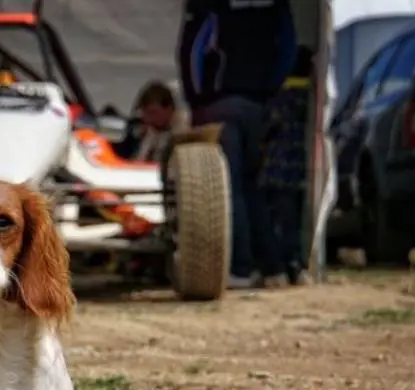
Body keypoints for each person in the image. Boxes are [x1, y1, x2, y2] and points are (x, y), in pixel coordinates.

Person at [177, 0, 297, 289]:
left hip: (220, 104)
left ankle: (239, 268)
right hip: (257, 104)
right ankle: (273, 266)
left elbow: (192, 52)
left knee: (227, 189)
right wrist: (270, 89)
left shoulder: (210, 8)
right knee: (251, 186)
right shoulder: (276, 9)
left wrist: (196, 100)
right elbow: (287, 51)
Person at [261, 46, 315, 286]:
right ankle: (296, 264)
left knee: (275, 222)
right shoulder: (312, 100)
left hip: (275, 170)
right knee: (293, 222)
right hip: (299, 171)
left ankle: (278, 267)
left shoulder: (280, 98)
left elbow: (267, 128)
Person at [113, 81, 184, 163]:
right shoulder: (145, 131)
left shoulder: (183, 130)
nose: (148, 119)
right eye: (145, 114)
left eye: (153, 113)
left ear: (169, 109)